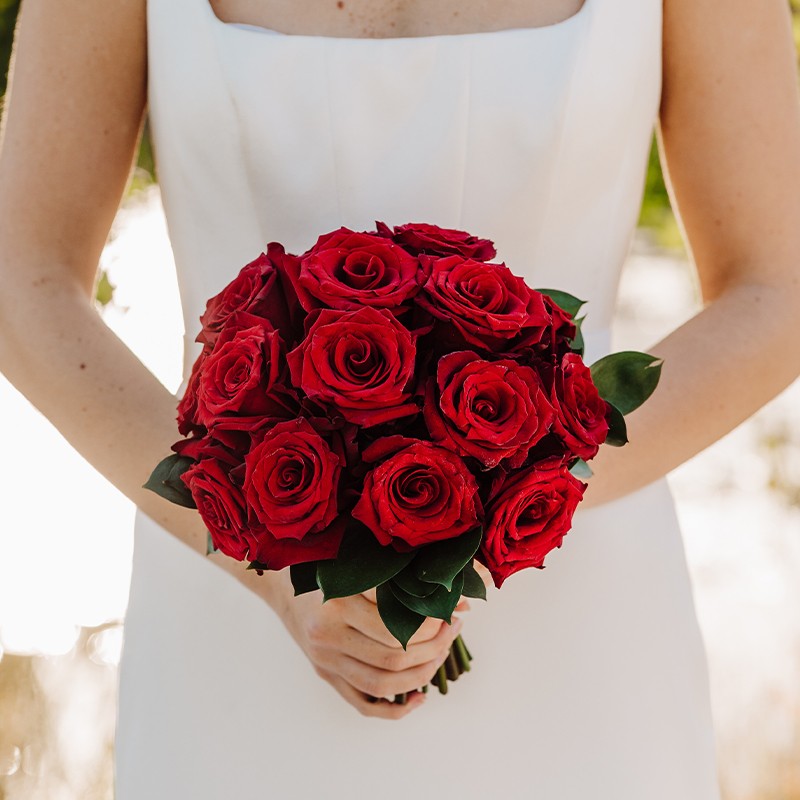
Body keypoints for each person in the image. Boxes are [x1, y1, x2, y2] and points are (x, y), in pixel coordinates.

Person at [0, 0, 798, 797]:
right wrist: (267, 567)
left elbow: (778, 291)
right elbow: (23, 283)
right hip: (231, 624)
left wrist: (518, 493)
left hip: (578, 622)